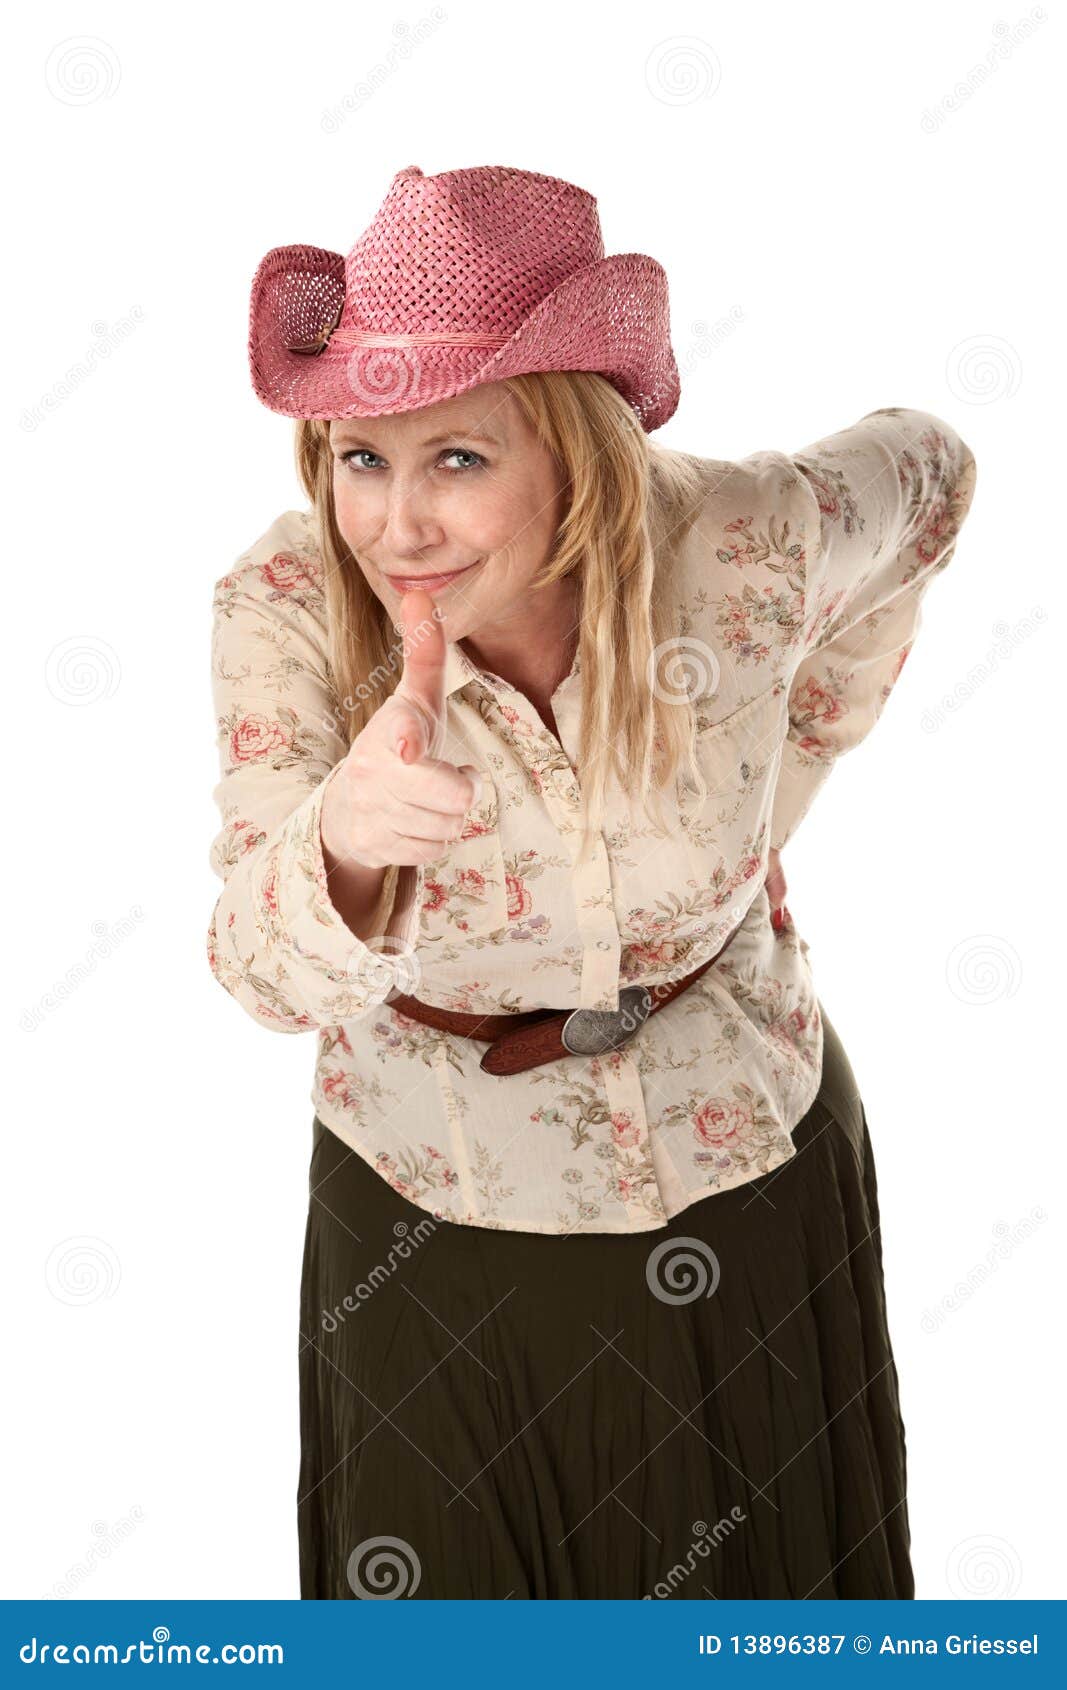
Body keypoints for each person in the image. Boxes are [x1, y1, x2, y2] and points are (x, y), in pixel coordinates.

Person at [207, 164, 978, 1599]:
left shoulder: (745, 540)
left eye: (458, 459)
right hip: (435, 1224)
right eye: (362, 458)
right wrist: (352, 836)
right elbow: (256, 971)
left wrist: (793, 759)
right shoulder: (289, 608)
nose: (398, 528)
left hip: (748, 1175)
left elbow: (929, 474)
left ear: (574, 444)